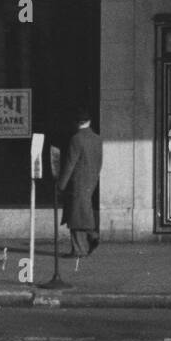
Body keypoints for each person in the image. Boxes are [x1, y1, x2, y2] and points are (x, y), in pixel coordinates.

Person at [57, 108, 102, 258]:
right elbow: (99, 162)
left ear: (77, 123)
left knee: (75, 215)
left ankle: (79, 249)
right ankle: (91, 236)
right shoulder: (97, 138)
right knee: (83, 212)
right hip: (91, 181)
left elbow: (70, 164)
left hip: (76, 182)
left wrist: (61, 184)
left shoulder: (76, 139)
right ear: (89, 122)